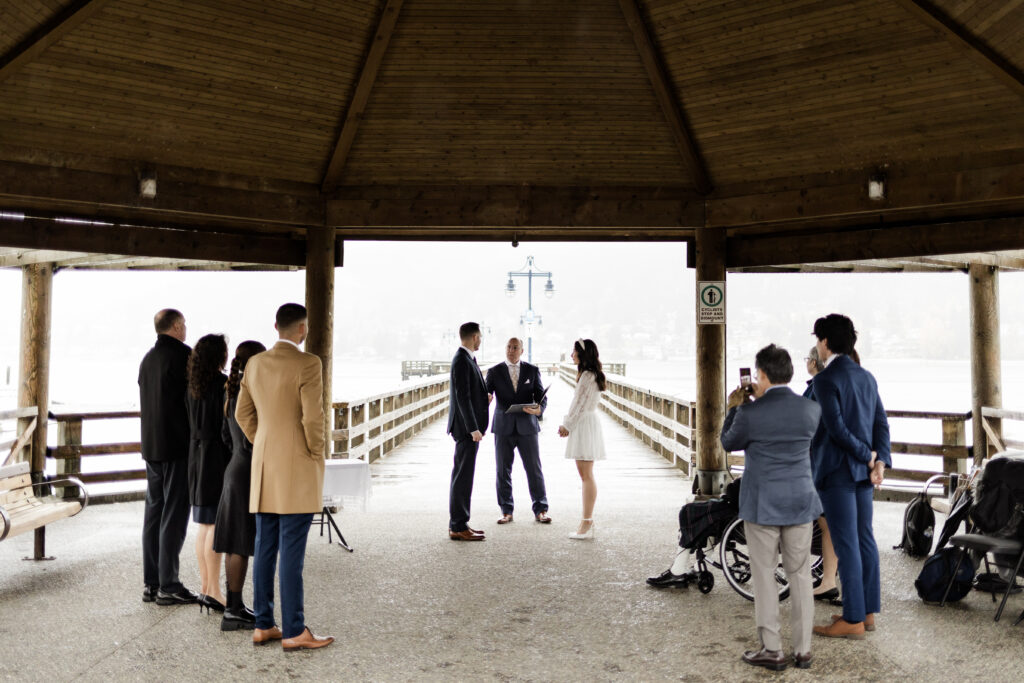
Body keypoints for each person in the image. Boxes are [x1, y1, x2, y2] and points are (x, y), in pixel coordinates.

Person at [235, 303, 333, 652]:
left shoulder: (255, 363)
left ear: (276, 326)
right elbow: (312, 418)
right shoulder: (308, 363)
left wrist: (263, 441)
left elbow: (241, 413)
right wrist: (316, 451)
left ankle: (264, 624)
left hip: (264, 465)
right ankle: (294, 630)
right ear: (303, 329)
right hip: (297, 465)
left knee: (265, 546)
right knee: (292, 550)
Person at [721, 344, 822, 671]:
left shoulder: (750, 413)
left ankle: (772, 649)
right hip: (800, 501)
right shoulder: (810, 410)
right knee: (801, 575)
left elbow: (727, 442)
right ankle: (804, 650)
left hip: (763, 504)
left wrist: (735, 407)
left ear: (760, 375)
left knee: (764, 575)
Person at [809, 314, 891, 640]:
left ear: (826, 343)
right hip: (862, 474)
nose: (817, 346)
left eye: (818, 340)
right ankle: (868, 611)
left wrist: (868, 455)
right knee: (864, 539)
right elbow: (881, 424)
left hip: (837, 472)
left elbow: (837, 430)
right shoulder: (866, 377)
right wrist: (878, 461)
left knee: (847, 545)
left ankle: (853, 618)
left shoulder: (825, 381)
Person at [139, 308, 198, 606]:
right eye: (184, 324)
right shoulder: (185, 357)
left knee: (154, 514)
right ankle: (170, 585)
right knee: (174, 516)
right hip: (177, 447)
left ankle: (151, 583)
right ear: (176, 326)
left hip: (151, 448)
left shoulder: (147, 360)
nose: (186, 328)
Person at [214, 340, 266, 631]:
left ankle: (235, 604)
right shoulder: (253, 392)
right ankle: (233, 609)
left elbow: (225, 435)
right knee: (240, 543)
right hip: (247, 470)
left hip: (233, 468)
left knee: (235, 541)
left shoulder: (230, 391)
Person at [186, 333, 231, 614]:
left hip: (196, 455)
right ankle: (214, 591)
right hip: (216, 455)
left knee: (204, 525)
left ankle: (205, 586)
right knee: (214, 524)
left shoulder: (193, 385)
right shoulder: (223, 385)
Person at [485, 337, 551, 524]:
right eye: (508, 347)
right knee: (502, 471)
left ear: (522, 351)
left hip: (527, 426)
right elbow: (487, 393)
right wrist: (486, 397)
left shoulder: (532, 370)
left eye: (515, 347)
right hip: (503, 426)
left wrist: (539, 409)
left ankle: (541, 509)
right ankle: (506, 511)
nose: (511, 350)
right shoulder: (494, 371)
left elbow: (540, 397)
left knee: (534, 469)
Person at [558, 339, 606, 540]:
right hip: (589, 421)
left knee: (586, 475)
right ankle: (586, 520)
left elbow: (578, 404)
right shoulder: (592, 375)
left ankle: (587, 521)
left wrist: (567, 425)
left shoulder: (587, 376)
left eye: (574, 351)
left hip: (584, 423)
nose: (571, 355)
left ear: (582, 355)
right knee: (587, 474)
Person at [446, 322, 490, 541]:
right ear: (473, 337)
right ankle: (458, 525)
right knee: (463, 477)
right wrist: (473, 428)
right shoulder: (462, 360)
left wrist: (485, 398)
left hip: (466, 427)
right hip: (465, 429)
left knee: (463, 475)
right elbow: (462, 397)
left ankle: (461, 522)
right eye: (479, 337)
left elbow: (470, 393)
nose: (481, 340)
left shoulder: (466, 359)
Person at [804, 346, 840, 604]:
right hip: (830, 461)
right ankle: (829, 579)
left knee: (830, 525)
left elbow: (806, 421)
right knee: (829, 524)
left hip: (823, 462)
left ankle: (830, 581)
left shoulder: (818, 387)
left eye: (808, 358)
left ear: (815, 363)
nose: (806, 362)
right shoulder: (832, 385)